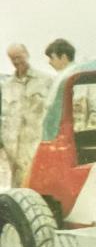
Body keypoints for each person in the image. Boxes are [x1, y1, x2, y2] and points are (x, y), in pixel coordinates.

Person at [0, 44, 53, 187]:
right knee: (17, 187)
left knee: (37, 184)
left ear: (27, 54)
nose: (16, 61)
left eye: (19, 57)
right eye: (12, 59)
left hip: (35, 145)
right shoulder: (7, 85)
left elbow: (53, 113)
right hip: (13, 149)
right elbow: (5, 116)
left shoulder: (46, 80)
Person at [45, 38, 96, 130]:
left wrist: (85, 137)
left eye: (52, 58)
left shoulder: (88, 79)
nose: (49, 62)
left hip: (84, 141)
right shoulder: (57, 84)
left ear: (63, 57)